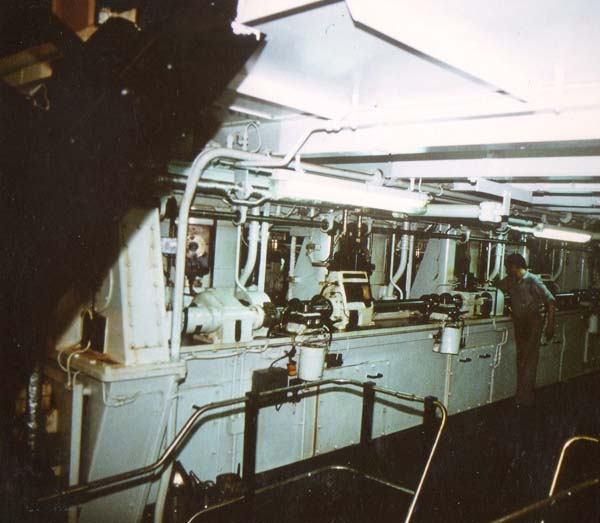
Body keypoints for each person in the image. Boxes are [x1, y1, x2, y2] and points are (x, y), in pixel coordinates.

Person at [498, 253, 556, 407]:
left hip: (533, 324)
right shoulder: (511, 281)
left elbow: (551, 301)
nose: (506, 269)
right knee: (521, 360)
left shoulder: (533, 280)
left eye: (507, 266)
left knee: (528, 361)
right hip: (520, 324)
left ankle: (525, 399)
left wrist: (550, 325)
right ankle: (522, 396)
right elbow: (496, 287)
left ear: (514, 266)